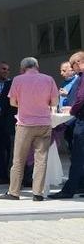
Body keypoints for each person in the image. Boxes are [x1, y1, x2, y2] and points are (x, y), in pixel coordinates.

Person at [0, 58, 58, 202]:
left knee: (19, 159)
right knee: (41, 160)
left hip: (25, 124)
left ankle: (14, 192)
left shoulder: (18, 80)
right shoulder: (49, 79)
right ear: (37, 66)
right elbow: (54, 102)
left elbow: (12, 102)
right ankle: (37, 193)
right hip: (44, 123)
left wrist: (25, 103)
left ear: (22, 67)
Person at [51, 51, 84, 199]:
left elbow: (81, 98)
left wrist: (72, 109)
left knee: (77, 157)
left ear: (78, 63)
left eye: (72, 66)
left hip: (81, 121)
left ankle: (69, 190)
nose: (72, 69)